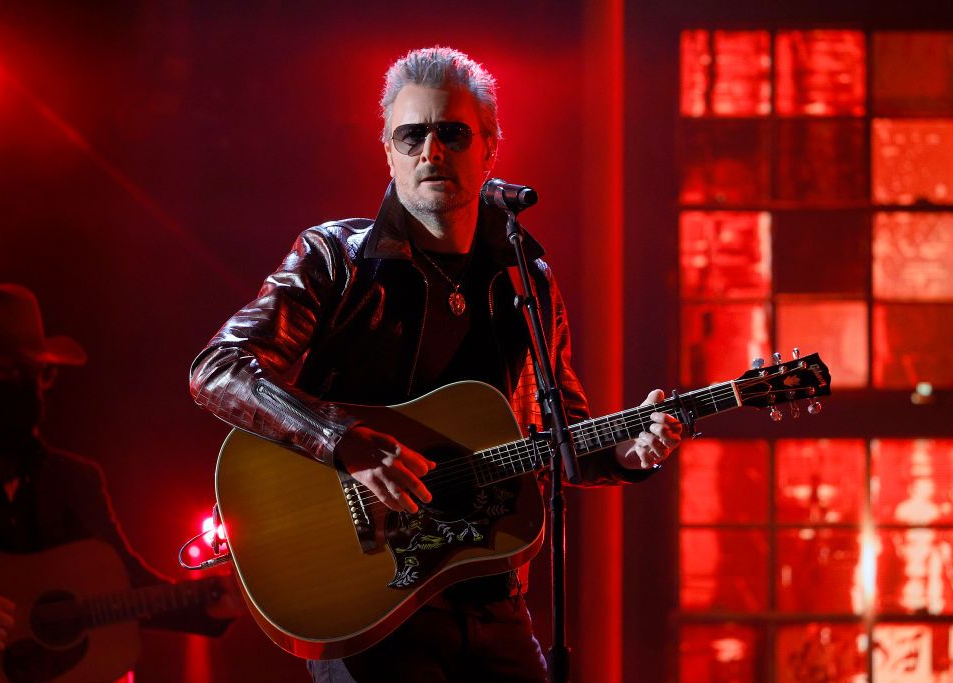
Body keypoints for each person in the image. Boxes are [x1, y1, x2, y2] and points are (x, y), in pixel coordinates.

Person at [190, 46, 682, 682]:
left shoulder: (524, 281)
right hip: (369, 605)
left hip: (490, 592)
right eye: (412, 134)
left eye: (452, 133)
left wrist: (623, 454)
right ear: (388, 151)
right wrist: (344, 443)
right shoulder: (334, 259)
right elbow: (218, 369)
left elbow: (558, 438)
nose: (431, 151)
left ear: (490, 148)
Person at [0, 282, 234, 664]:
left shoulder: (73, 481)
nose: (32, 391)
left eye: (39, 374)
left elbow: (126, 586)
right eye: (11, 374)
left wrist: (208, 604)